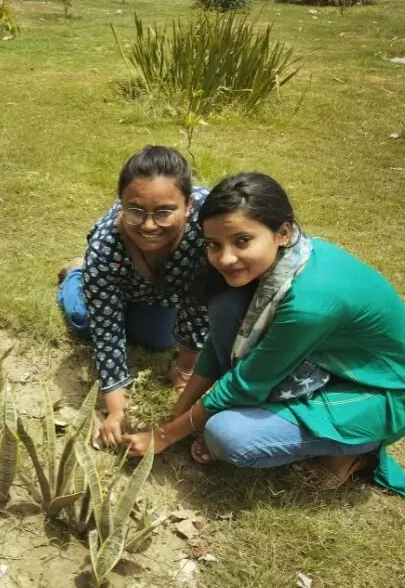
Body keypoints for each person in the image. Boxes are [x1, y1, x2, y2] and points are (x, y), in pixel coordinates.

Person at [112, 173, 405, 495]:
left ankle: (357, 449)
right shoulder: (280, 264)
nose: (225, 258)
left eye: (242, 241)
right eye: (214, 244)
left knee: (229, 436)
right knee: (225, 304)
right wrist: (180, 416)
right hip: (324, 360)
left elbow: (248, 382)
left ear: (283, 232)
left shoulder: (310, 303)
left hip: (376, 390)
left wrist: (166, 435)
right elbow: (218, 343)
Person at [57, 145, 210, 446]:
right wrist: (116, 410)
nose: (150, 225)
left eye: (164, 212)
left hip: (169, 291)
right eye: (136, 211)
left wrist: (186, 365)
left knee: (160, 339)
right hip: (120, 283)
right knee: (84, 321)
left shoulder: (210, 222)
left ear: (188, 204)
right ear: (122, 203)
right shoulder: (105, 247)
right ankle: (76, 274)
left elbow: (201, 294)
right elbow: (107, 332)